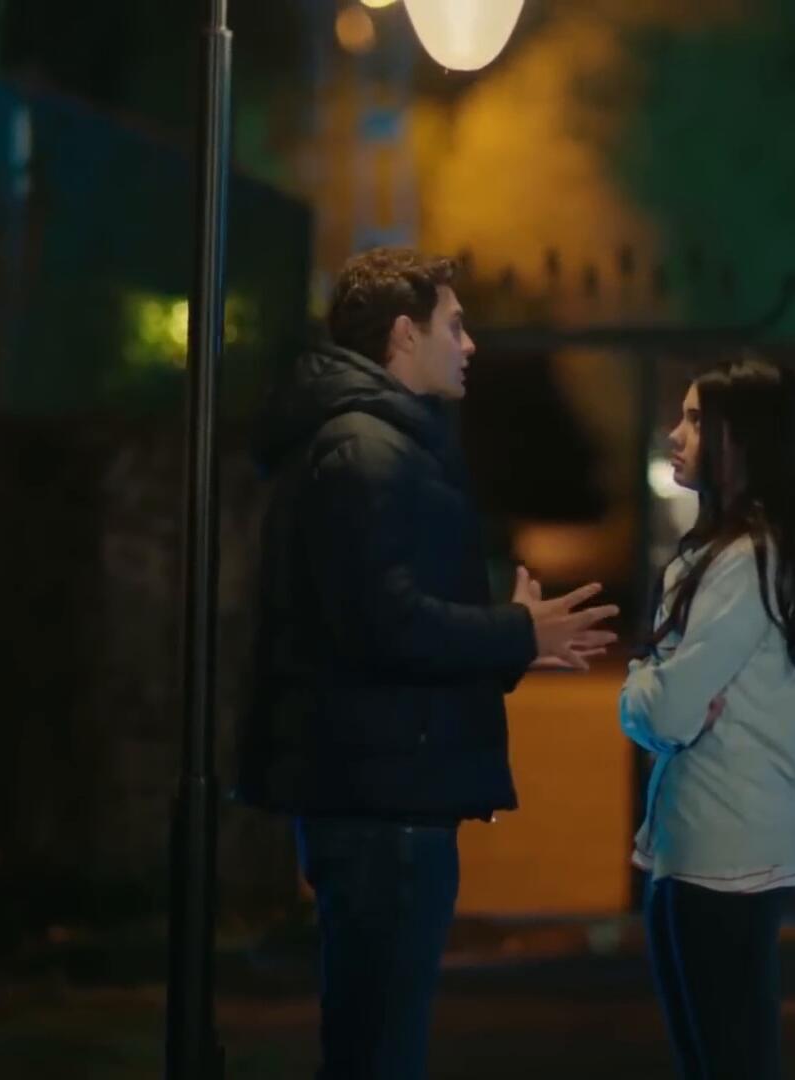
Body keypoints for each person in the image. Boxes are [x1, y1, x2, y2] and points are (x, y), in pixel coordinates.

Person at [238, 247, 619, 1080]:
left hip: (384, 790)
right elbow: (385, 624)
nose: (470, 344)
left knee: (373, 1040)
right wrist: (515, 634)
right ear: (404, 335)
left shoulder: (375, 443)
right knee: (381, 1048)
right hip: (386, 802)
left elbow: (384, 622)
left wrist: (514, 639)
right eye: (454, 325)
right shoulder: (367, 450)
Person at [619, 355, 795, 1080]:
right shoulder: (733, 555)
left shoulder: (754, 560)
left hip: (723, 854)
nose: (675, 433)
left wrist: (640, 683)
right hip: (703, 846)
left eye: (696, 420)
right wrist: (657, 684)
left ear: (743, 442)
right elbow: (673, 703)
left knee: (728, 1060)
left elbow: (665, 711)